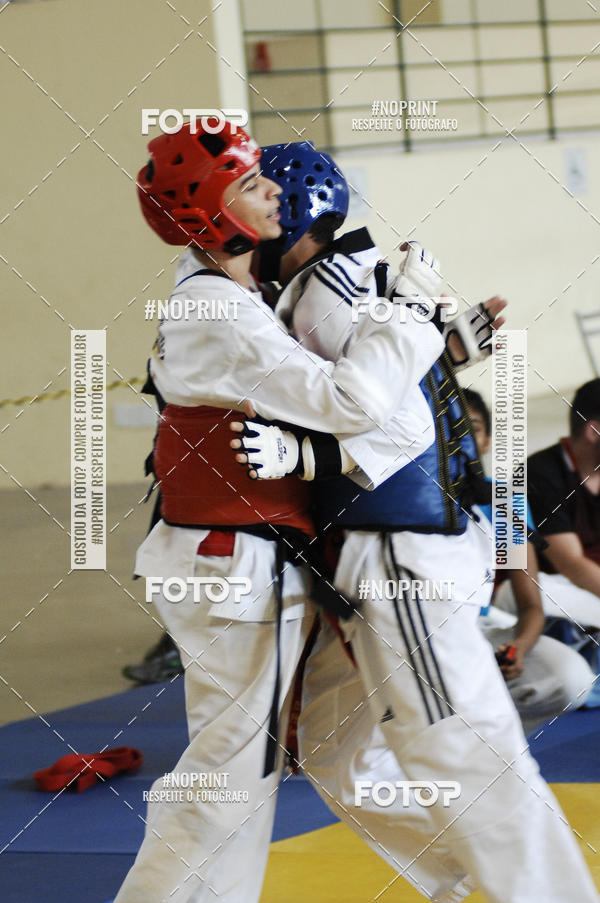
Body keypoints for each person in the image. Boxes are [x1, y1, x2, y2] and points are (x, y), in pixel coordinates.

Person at [233, 141, 600, 903]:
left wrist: (296, 454)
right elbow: (405, 384)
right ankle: (459, 868)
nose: (246, 221)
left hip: (400, 556)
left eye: (261, 202)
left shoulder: (326, 296)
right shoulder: (347, 281)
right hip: (389, 553)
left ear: (293, 210)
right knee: (333, 750)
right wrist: (453, 345)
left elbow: (389, 425)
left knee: (463, 752)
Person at [113, 121, 447, 903]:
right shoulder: (220, 312)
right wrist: (410, 314)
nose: (273, 191)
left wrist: (445, 342)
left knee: (253, 762)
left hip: (243, 560)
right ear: (213, 215)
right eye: (250, 184)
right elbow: (351, 400)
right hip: (231, 564)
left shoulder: (235, 296)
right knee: (230, 766)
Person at [464, 388, 595, 734]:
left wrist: (519, 647)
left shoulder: (503, 502)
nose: (460, 436)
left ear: (488, 441)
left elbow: (531, 607)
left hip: (480, 626)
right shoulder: (400, 504)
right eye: (447, 427)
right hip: (416, 636)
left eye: (472, 427)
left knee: (570, 679)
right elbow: (572, 564)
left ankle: (490, 741)